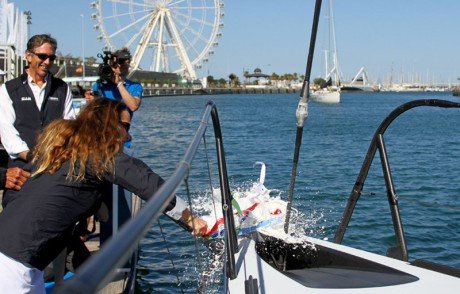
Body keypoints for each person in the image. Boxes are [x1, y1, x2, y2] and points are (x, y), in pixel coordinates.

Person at [0, 98, 207, 293]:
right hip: (15, 265)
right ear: (108, 125)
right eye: (125, 127)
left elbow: (29, 200)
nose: (128, 136)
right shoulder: (97, 155)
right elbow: (145, 182)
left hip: (18, 256)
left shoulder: (62, 151)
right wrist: (191, 220)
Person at [0, 34, 75, 206]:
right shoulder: (9, 89)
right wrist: (29, 155)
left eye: (52, 57)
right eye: (42, 56)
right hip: (22, 168)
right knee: (15, 216)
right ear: (28, 56)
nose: (47, 62)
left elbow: (70, 124)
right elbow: (6, 129)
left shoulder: (62, 88)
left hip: (54, 167)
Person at [85, 47, 142, 132]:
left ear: (129, 63)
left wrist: (119, 84)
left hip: (120, 137)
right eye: (116, 63)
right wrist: (90, 101)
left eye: (123, 62)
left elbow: (133, 106)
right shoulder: (100, 85)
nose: (119, 66)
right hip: (100, 134)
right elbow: (91, 112)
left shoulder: (135, 86)